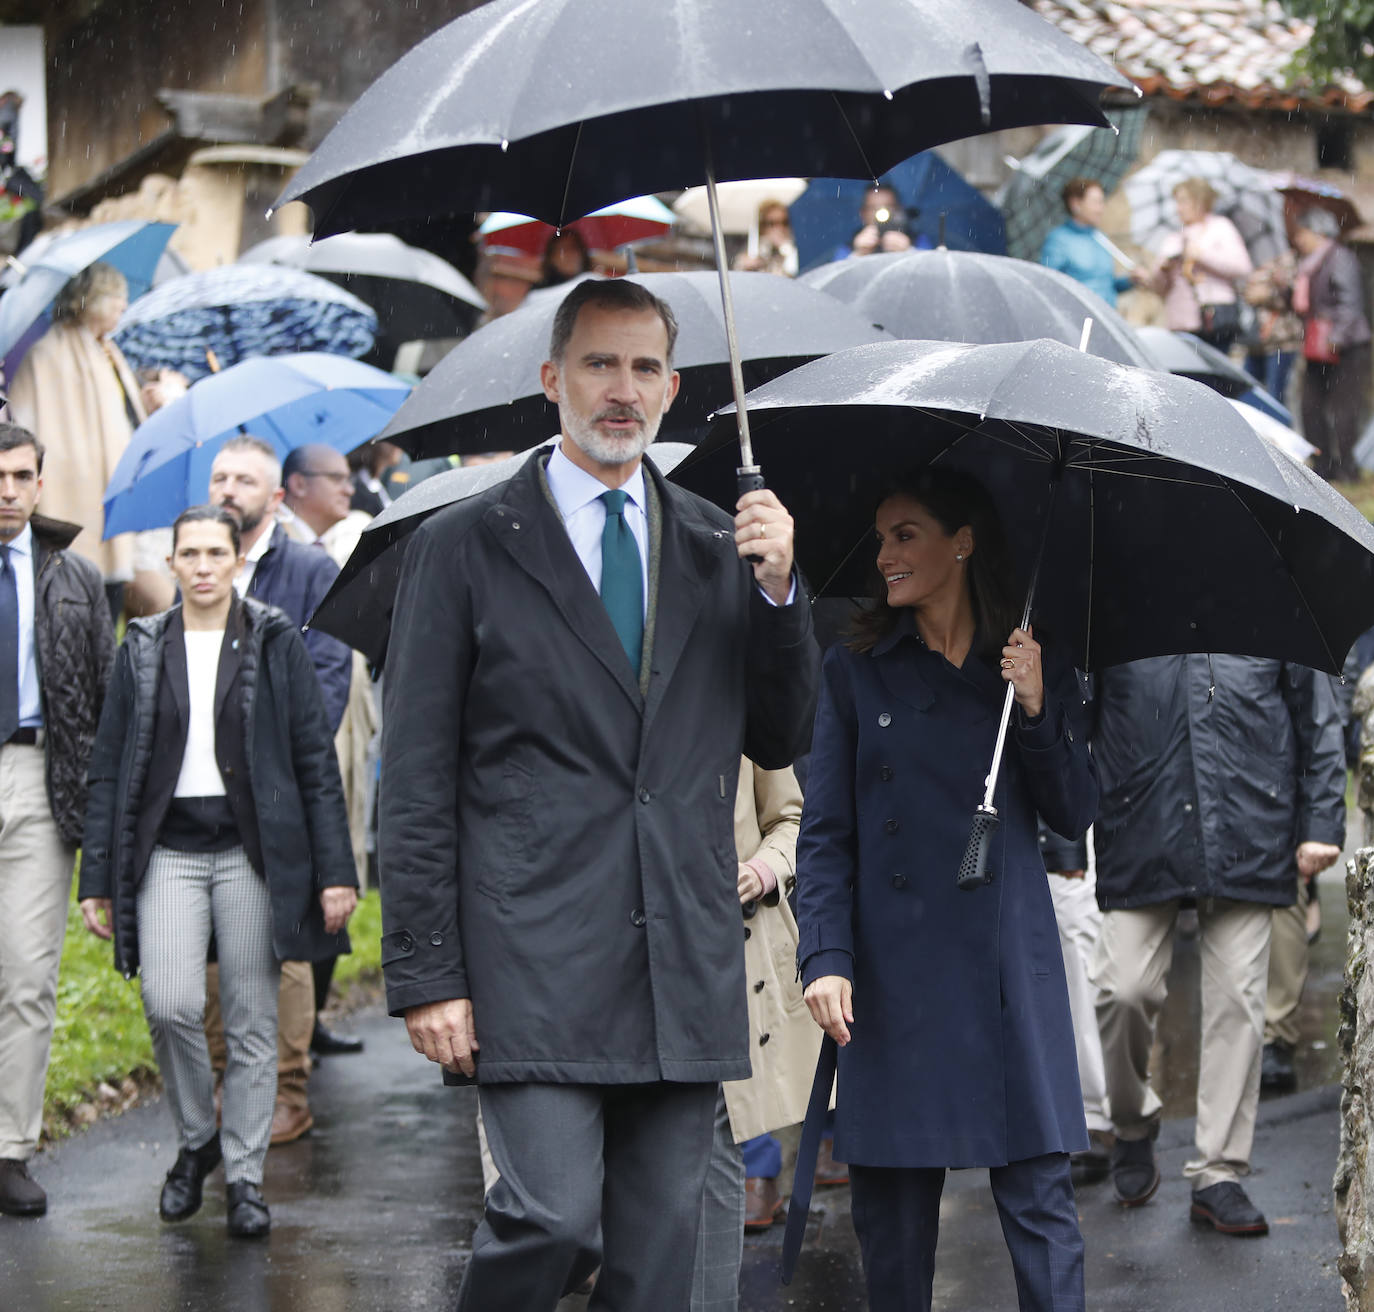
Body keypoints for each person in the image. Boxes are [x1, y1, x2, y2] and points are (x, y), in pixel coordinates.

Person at [379, 277, 818, 1310]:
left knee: (665, 1255)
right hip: (527, 956)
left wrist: (778, 596)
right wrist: (428, 972)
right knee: (550, 1215)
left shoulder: (724, 546)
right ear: (552, 379)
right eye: (599, 363)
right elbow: (413, 778)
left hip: (678, 946)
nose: (622, 390)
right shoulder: (463, 548)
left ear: (673, 388)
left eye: (644, 367)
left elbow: (778, 733)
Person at [797, 468, 1099, 1312]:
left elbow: (1074, 811)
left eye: (907, 534)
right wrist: (824, 954)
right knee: (892, 1231)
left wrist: (1036, 708)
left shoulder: (1028, 658)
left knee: (1042, 1209)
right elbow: (825, 835)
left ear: (961, 542)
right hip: (892, 976)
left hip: (1006, 963)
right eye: (882, 537)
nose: (886, 555)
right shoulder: (855, 670)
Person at [78, 504, 357, 1236]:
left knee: (251, 1019)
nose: (203, 566)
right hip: (167, 849)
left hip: (250, 851)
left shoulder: (270, 638)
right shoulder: (141, 645)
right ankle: (198, 1137)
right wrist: (98, 878)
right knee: (169, 1003)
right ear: (171, 562)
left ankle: (243, 1174)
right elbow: (108, 770)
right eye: (189, 554)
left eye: (215, 553)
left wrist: (335, 870)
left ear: (238, 559)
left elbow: (312, 761)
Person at [1089, 654, 1345, 1235]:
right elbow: (1077, 715)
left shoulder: (1272, 585)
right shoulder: (1115, 588)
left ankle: (1219, 1172)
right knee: (1120, 989)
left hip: (1250, 822)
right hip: (1140, 822)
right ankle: (1130, 1125)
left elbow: (1316, 714)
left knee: (1238, 1001)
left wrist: (1323, 822)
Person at [206, 436, 354, 1143]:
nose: (227, 489)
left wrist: (284, 762)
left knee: (284, 939)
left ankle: (287, 1090)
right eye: (219, 477)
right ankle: (221, 1082)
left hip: (281, 787)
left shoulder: (305, 568)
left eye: (243, 480)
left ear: (275, 497)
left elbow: (328, 675)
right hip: (203, 790)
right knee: (212, 938)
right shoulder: (198, 563)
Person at [0, 422, 115, 1218]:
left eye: (18, 476)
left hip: (41, 779)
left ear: (40, 484)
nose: (6, 489)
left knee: (28, 977)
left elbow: (106, 706)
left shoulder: (77, 580)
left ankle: (9, 1147)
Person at [280, 442, 375, 1041]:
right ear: (295, 486)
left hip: (354, 723)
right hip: (310, 730)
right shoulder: (275, 558)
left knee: (345, 857)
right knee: (317, 856)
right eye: (336, 478)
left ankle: (311, 1016)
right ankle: (298, 1023)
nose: (349, 488)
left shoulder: (353, 539)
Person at [5, 262, 145, 615]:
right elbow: (27, 432)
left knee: (108, 600)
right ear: (92, 299)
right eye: (116, 297)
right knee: (70, 595)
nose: (123, 306)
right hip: (74, 492)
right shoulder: (48, 353)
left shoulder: (108, 351)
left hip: (111, 488)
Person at [1291, 207, 1371, 484]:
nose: (1299, 239)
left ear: (1319, 232)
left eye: (1304, 233)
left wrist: (1335, 338)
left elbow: (1351, 304)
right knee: (1310, 406)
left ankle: (1346, 467)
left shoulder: (1340, 258)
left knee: (1344, 409)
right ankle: (1322, 464)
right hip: (1318, 345)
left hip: (1345, 346)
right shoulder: (1309, 263)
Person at [1134, 178, 1252, 353]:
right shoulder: (1172, 239)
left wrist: (1201, 255)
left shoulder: (1220, 228)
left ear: (1200, 201)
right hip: (1180, 323)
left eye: (1183, 201)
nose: (1178, 208)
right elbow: (1161, 290)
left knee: (1213, 378)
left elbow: (1242, 267)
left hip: (1213, 321)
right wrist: (1161, 271)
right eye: (1177, 202)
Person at [1039, 177, 1132, 306]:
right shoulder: (1058, 240)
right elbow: (1048, 283)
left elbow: (1106, 285)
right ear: (1076, 204)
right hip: (1077, 317)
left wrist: (1131, 281)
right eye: (1096, 202)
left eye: (1102, 202)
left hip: (1106, 317)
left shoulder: (1100, 238)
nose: (1101, 209)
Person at [732, 200, 799, 278]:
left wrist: (785, 249)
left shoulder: (794, 250)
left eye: (784, 222)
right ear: (762, 227)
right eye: (772, 223)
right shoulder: (751, 251)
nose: (779, 228)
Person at [847, 185, 915, 259]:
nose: (881, 212)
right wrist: (858, 254)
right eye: (873, 208)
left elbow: (927, 265)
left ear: (899, 209)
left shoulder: (917, 239)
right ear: (863, 213)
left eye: (889, 206)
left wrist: (908, 251)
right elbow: (837, 268)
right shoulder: (849, 247)